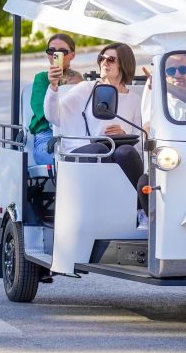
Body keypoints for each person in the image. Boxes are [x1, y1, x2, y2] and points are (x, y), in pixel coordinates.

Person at [45, 42, 148, 226]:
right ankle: (106, 208)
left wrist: (125, 133)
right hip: (82, 150)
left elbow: (140, 141)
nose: (104, 63)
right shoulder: (86, 88)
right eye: (101, 58)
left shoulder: (134, 99)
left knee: (125, 152)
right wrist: (53, 87)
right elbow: (54, 115)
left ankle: (141, 211)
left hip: (116, 152)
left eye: (110, 59)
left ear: (123, 64)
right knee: (101, 148)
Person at [28, 33, 83, 166]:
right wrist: (53, 83)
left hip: (75, 134)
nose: (55, 55)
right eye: (51, 51)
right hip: (48, 134)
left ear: (72, 55)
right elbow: (45, 112)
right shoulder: (41, 78)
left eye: (62, 52)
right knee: (53, 157)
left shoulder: (78, 79)